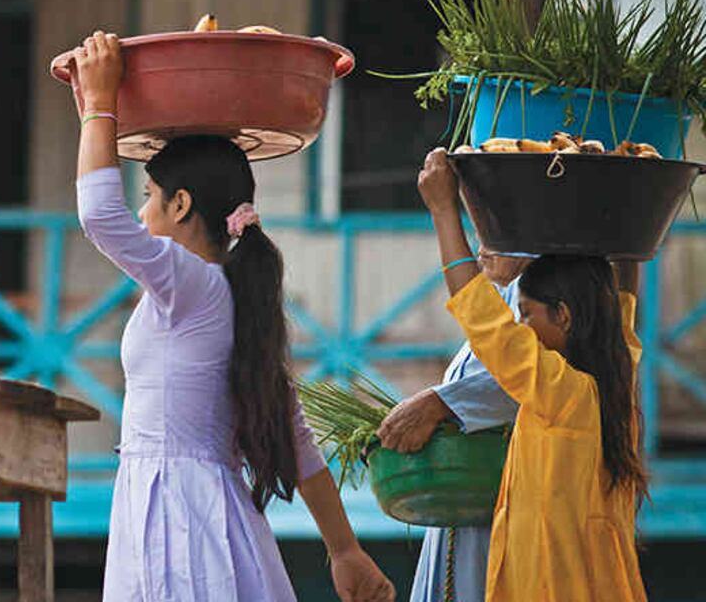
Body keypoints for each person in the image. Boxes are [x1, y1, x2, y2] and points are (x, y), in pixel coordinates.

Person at [72, 30, 395, 602]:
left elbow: (99, 216)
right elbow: (298, 441)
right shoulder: (232, 297)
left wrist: (100, 106)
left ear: (180, 204)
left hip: (175, 517)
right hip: (205, 511)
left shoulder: (189, 282)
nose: (143, 211)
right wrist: (345, 550)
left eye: (149, 195)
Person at [416, 147, 648, 601]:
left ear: (563, 316)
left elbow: (483, 318)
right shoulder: (618, 370)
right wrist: (629, 216)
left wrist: (444, 211)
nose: (520, 328)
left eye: (526, 315)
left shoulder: (563, 392)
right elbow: (621, 300)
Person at [376, 250, 528, 602]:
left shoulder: (549, 297)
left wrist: (440, 403)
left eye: (494, 229)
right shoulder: (503, 294)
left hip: (515, 515)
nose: (481, 248)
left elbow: (526, 379)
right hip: (464, 521)